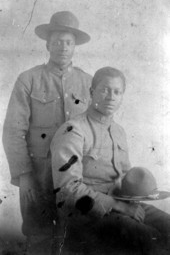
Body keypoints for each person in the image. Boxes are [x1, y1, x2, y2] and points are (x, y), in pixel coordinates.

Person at [51, 67, 170, 254]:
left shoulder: (119, 132)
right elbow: (68, 189)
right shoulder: (74, 130)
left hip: (121, 206)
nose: (111, 97)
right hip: (87, 213)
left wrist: (136, 197)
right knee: (148, 239)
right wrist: (117, 206)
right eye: (105, 89)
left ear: (122, 96)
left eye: (117, 92)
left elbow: (125, 179)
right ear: (92, 92)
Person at [2, 11, 92, 254]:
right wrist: (24, 176)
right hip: (38, 176)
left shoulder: (88, 83)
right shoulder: (28, 80)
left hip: (75, 177)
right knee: (38, 236)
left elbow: (96, 131)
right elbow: (12, 131)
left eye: (68, 42)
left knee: (75, 237)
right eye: (58, 41)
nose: (63, 47)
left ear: (75, 46)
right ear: (48, 44)